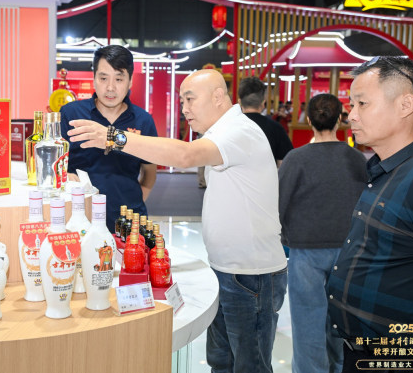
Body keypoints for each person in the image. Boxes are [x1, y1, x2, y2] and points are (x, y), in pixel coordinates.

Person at [68, 69, 287, 373]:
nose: (184, 109)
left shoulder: (240, 131)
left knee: (249, 366)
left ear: (218, 96)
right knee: (222, 362)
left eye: (190, 99)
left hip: (252, 275)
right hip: (229, 270)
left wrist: (113, 137)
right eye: (182, 100)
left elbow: (185, 156)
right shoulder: (222, 133)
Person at [326, 57, 413, 372]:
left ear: (405, 105)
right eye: (351, 104)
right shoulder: (386, 171)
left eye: (362, 104)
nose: (351, 115)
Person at [278, 93, 367, 373]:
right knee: (344, 323)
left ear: (309, 120)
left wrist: (284, 238)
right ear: (340, 119)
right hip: (349, 251)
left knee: (307, 324)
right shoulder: (357, 158)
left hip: (305, 250)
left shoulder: (296, 159)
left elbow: (278, 205)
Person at [59, 45, 157, 227]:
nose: (110, 88)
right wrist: (67, 176)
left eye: (119, 79)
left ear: (130, 82)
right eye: (103, 78)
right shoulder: (71, 114)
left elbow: (149, 173)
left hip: (129, 223)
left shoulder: (143, 121)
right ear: (94, 78)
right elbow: (55, 166)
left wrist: (134, 203)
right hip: (80, 221)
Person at [238, 76, 293, 167]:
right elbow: (284, 163)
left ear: (239, 102)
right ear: (263, 103)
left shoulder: (227, 127)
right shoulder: (276, 128)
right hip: (266, 175)